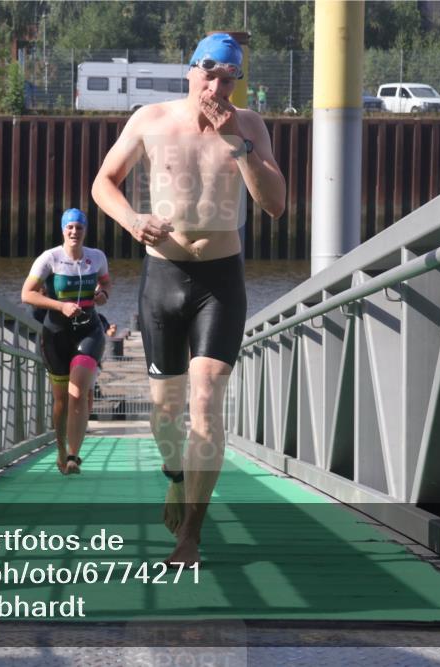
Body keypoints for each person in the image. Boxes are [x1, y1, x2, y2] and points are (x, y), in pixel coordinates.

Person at [91, 33, 286, 565]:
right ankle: (175, 476)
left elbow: (274, 206)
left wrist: (238, 146)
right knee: (164, 409)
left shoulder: (249, 127)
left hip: (220, 281)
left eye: (231, 78)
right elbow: (103, 182)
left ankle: (191, 536)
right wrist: (132, 220)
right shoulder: (151, 119)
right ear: (191, 71)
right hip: (163, 277)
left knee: (204, 401)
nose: (219, 86)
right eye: (211, 73)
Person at [21, 208, 111, 475]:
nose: (74, 232)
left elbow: (106, 282)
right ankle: (61, 448)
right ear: (63, 230)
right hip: (56, 334)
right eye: (70, 227)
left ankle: (73, 455)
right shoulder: (50, 259)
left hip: (89, 331)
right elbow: (27, 294)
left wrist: (104, 293)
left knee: (78, 392)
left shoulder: (96, 257)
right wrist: (60, 307)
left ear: (85, 231)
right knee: (61, 400)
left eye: (79, 227)